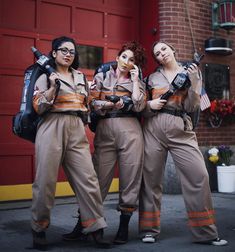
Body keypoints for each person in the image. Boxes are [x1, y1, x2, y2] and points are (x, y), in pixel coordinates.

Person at [138, 41, 228, 246]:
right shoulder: (151, 78)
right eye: (157, 53)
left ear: (173, 50)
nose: (161, 54)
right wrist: (150, 105)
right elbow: (142, 109)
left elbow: (191, 106)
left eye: (163, 49)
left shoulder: (189, 72)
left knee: (199, 175)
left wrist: (195, 81)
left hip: (181, 128)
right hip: (154, 128)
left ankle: (206, 232)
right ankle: (148, 230)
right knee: (150, 179)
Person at [31, 36, 110, 250]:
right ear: (54, 53)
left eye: (72, 51)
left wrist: (107, 105)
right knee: (45, 181)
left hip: (76, 127)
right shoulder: (44, 74)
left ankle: (95, 228)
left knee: (88, 179)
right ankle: (39, 228)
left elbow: (88, 104)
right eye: (63, 50)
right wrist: (53, 86)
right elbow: (39, 106)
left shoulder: (80, 76)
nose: (68, 54)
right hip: (51, 125)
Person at [64, 41, 147, 244]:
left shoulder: (138, 80)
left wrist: (136, 81)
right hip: (105, 130)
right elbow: (91, 101)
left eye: (132, 60)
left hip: (131, 132)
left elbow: (139, 105)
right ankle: (84, 223)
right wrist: (109, 104)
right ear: (118, 57)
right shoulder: (102, 75)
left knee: (130, 180)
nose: (127, 62)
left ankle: (124, 227)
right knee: (96, 180)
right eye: (124, 57)